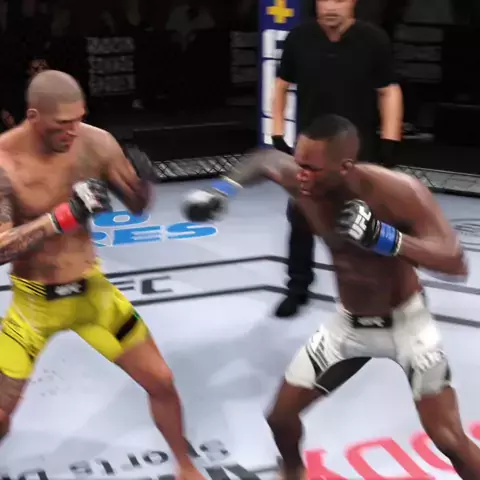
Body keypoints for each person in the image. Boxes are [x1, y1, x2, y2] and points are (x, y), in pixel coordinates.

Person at [182, 114, 480, 480]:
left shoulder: (395, 191)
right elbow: (265, 158)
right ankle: (294, 471)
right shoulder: (302, 180)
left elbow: (455, 261)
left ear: (345, 167)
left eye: (312, 169)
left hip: (408, 325)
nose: (301, 176)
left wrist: (385, 238)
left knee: (449, 439)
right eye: (299, 164)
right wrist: (222, 190)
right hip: (349, 325)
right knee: (280, 419)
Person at [0, 70, 204, 480]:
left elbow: (137, 206)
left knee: (161, 381)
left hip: (93, 295)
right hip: (34, 306)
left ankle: (186, 466)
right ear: (34, 116)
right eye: (62, 124)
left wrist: (143, 185)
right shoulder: (4, 161)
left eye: (79, 119)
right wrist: (63, 217)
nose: (73, 132)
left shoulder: (96, 142)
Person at [271, 0, 403, 318]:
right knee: (301, 218)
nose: (331, 6)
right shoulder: (300, 38)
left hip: (358, 149)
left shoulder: (372, 39)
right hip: (311, 149)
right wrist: (277, 132)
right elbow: (281, 85)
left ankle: (381, 290)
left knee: (369, 222)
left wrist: (390, 142)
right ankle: (297, 286)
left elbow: (388, 91)